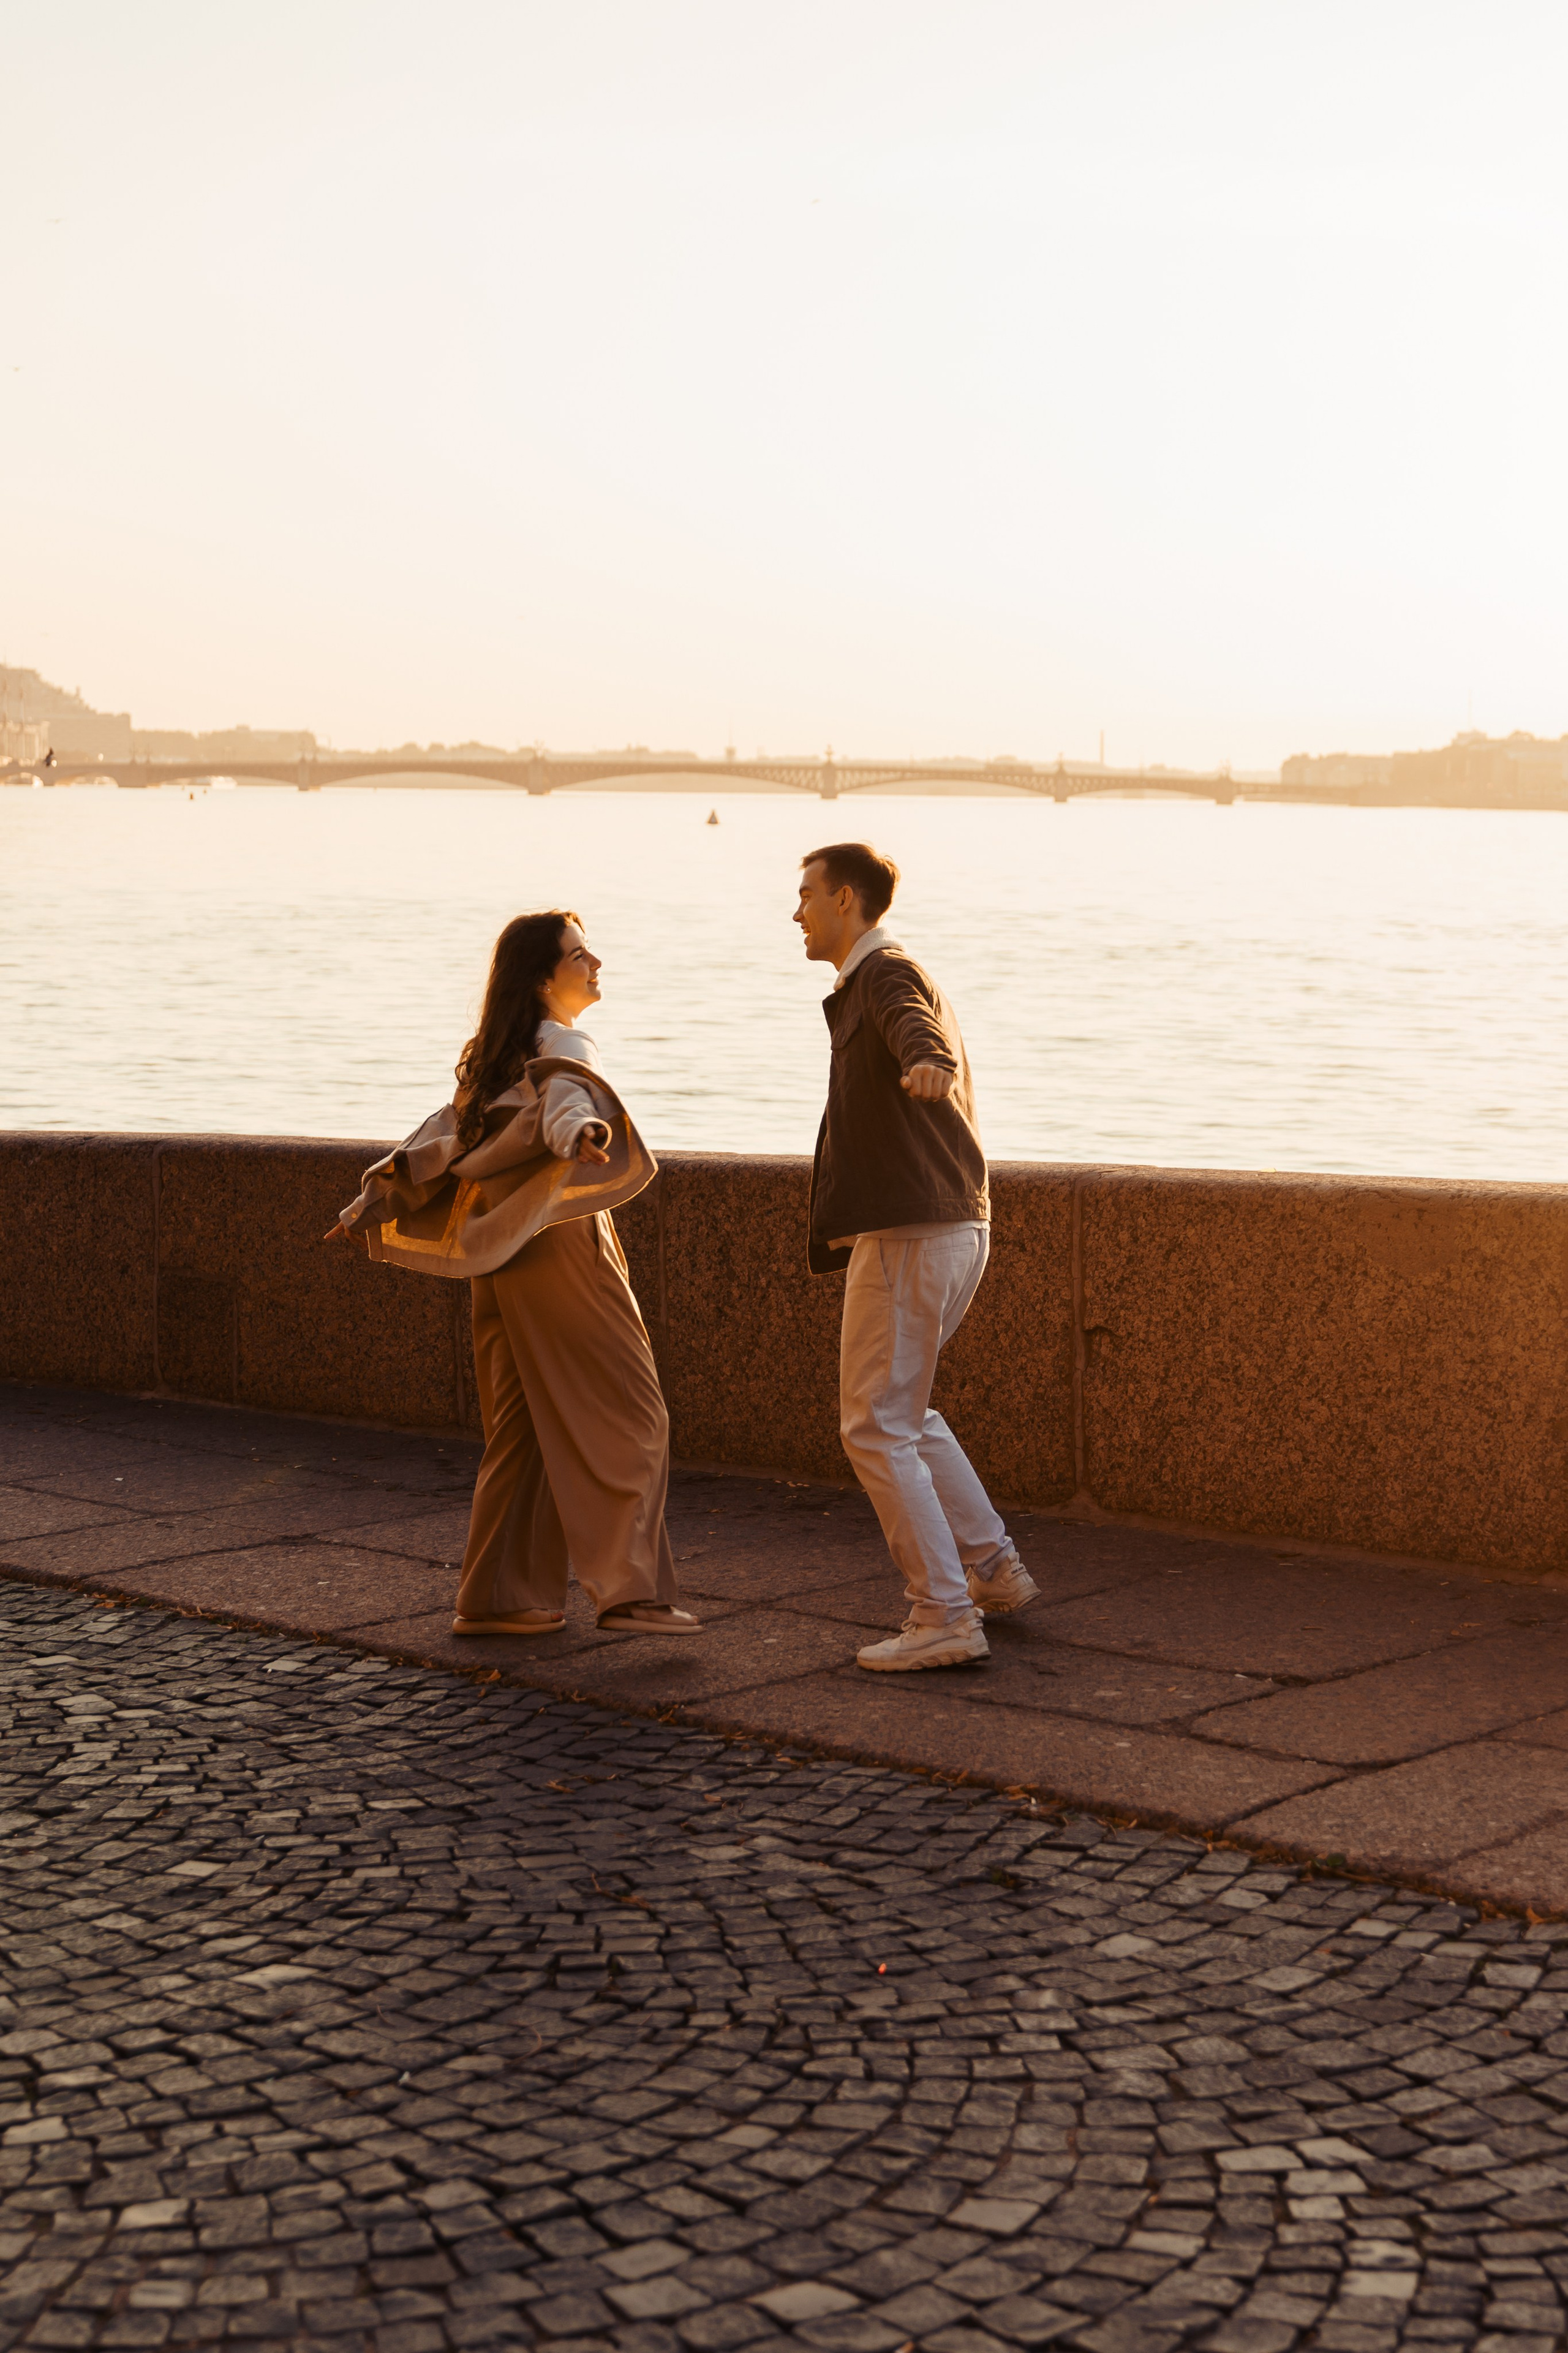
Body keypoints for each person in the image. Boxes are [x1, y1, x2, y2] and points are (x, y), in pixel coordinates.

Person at [333, 910, 698, 1640]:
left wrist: (370, 1198)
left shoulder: (492, 1054)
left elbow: (442, 1138)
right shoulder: (564, 1041)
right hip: (559, 1244)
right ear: (542, 977)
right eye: (579, 955)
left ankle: (496, 1596)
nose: (596, 963)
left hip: (499, 1257)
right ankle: (630, 1592)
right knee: (633, 1412)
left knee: (521, 1429)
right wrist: (584, 1132)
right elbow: (570, 1100)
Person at [794, 843, 1038, 1671]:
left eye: (808, 896)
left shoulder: (886, 974)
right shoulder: (871, 977)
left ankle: (942, 1614)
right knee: (908, 1414)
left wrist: (928, 1060)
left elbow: (914, 1027)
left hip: (911, 1231)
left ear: (847, 900)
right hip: (947, 1224)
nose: (797, 912)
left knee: (873, 1425)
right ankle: (992, 1571)